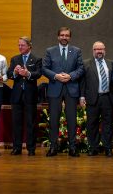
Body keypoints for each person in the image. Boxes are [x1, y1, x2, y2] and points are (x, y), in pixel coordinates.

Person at [42, 26, 84, 157]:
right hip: (55, 88)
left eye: (67, 35)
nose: (64, 37)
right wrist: (56, 76)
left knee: (72, 120)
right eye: (62, 35)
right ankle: (53, 147)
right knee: (53, 120)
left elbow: (81, 68)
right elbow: (44, 68)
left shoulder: (76, 51)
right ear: (58, 36)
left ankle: (72, 148)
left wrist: (70, 76)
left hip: (71, 88)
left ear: (70, 37)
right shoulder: (50, 51)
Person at [7, 36, 42, 156]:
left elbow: (38, 74)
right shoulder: (15, 59)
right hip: (16, 96)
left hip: (30, 96)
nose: (20, 47)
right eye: (19, 45)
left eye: (22, 45)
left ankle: (31, 149)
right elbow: (8, 74)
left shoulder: (36, 59)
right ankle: (17, 148)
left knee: (30, 123)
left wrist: (28, 73)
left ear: (29, 46)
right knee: (16, 123)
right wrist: (15, 73)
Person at [80, 41, 113, 157]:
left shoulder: (111, 64)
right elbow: (83, 82)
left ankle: (108, 148)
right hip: (92, 98)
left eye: (101, 49)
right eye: (96, 49)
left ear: (105, 50)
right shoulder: (86, 64)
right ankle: (93, 148)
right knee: (92, 124)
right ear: (93, 50)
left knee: (108, 124)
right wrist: (82, 96)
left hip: (107, 98)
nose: (99, 51)